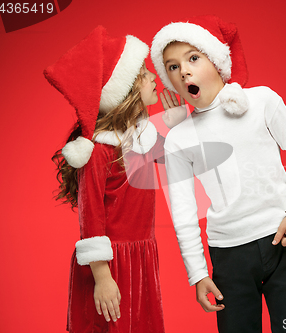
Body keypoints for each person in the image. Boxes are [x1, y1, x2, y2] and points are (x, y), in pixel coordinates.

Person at [150, 15, 286, 333]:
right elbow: (184, 213)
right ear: (169, 79)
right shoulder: (178, 138)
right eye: (172, 66)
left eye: (193, 58)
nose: (183, 70)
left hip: (284, 244)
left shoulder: (262, 100)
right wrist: (198, 273)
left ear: (216, 60)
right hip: (229, 257)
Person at [46, 26, 184, 333]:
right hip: (109, 264)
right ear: (125, 90)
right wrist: (102, 276)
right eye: (145, 73)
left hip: (140, 258)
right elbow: (90, 214)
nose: (153, 78)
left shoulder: (141, 139)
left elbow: (176, 165)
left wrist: (177, 127)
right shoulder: (99, 150)